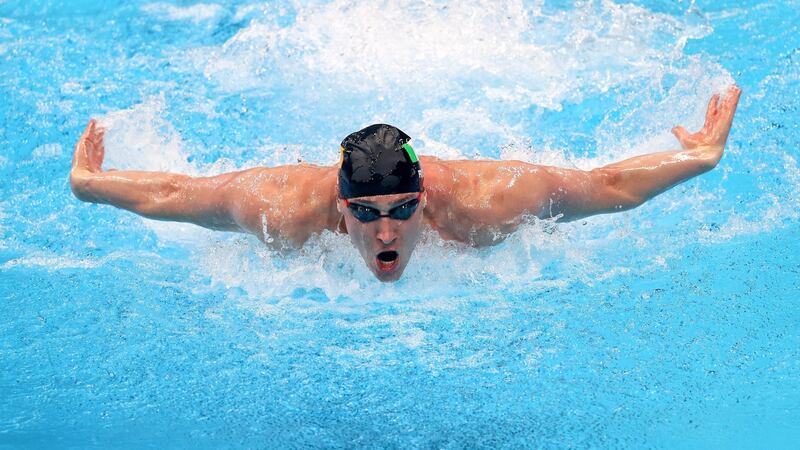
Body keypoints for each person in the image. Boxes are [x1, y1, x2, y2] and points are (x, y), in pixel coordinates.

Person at [70, 86, 741, 282]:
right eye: (365, 212)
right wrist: (90, 183)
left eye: (400, 209)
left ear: (425, 199)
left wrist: (702, 158)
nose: (385, 230)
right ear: (340, 203)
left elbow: (610, 186)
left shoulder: (486, 204)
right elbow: (177, 196)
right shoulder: (285, 210)